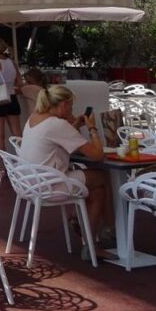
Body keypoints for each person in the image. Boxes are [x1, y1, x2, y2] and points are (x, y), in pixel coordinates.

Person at [22, 84, 115, 258]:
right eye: (71, 107)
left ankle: (93, 231)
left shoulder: (34, 118)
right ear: (63, 105)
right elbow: (97, 155)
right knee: (101, 178)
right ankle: (104, 233)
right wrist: (92, 128)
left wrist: (75, 125)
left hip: (28, 182)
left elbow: (58, 138)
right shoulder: (57, 124)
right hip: (49, 184)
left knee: (96, 189)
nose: (72, 110)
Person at [0, 37, 24, 168]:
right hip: (12, 99)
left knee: (0, 136)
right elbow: (20, 83)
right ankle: (24, 165)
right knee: (18, 135)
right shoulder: (12, 63)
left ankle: (3, 168)